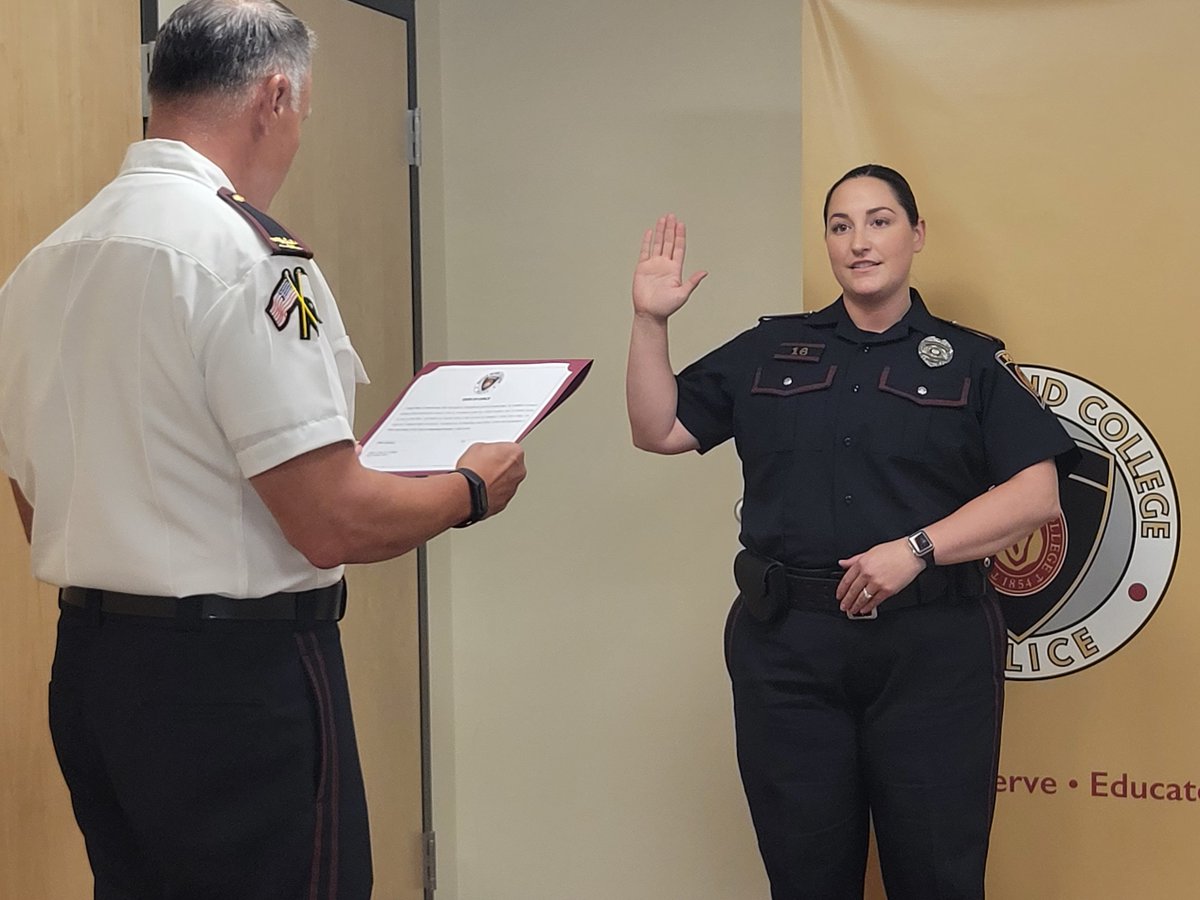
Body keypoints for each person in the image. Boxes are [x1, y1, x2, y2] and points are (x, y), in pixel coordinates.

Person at [0, 2, 525, 898]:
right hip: (235, 690)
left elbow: (36, 496)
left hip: (93, 670)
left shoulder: (44, 264)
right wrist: (472, 486)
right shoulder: (257, 261)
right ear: (275, 96)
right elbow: (330, 519)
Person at [625, 165, 1079, 899]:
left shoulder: (968, 360)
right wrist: (650, 321)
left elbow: (1035, 495)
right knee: (805, 878)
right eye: (841, 225)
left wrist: (916, 549)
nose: (859, 242)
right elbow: (659, 428)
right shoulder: (773, 349)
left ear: (916, 234)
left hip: (931, 650)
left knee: (937, 875)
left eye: (879, 221)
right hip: (789, 650)